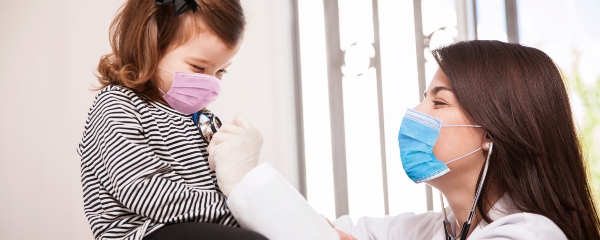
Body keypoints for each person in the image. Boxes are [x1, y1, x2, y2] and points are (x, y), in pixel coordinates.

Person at [207, 40, 600, 239]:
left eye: (438, 101)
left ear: (492, 132)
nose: (415, 113)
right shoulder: (426, 230)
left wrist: (248, 178)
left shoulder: (531, 234)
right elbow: (317, 233)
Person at [77, 0, 267, 239]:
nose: (212, 82)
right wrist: (242, 214)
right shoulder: (117, 105)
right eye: (199, 68)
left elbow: (228, 187)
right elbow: (144, 191)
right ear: (151, 47)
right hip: (145, 232)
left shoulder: (205, 121)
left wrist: (274, 212)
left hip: (203, 225)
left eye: (221, 71)